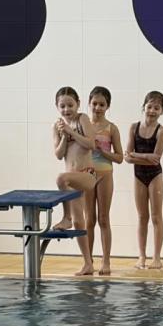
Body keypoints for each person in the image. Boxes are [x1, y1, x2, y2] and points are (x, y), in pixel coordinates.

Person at [53, 86, 97, 276]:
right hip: (71, 181)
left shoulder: (82, 119)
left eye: (70, 105)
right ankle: (88, 264)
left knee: (60, 178)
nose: (66, 109)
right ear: (57, 107)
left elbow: (91, 144)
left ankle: (66, 217)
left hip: (87, 174)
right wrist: (64, 136)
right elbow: (58, 154)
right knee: (81, 222)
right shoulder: (57, 126)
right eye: (62, 106)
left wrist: (72, 132)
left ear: (78, 104)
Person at [124, 90, 163, 270]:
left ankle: (156, 257)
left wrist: (136, 155)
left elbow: (156, 159)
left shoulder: (161, 131)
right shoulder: (133, 128)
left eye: (156, 108)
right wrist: (146, 156)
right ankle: (141, 256)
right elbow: (127, 158)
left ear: (162, 111)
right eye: (149, 107)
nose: (152, 111)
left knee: (156, 217)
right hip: (139, 176)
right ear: (144, 107)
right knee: (142, 217)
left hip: (155, 176)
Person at [87, 86, 123, 276]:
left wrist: (102, 150)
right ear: (89, 103)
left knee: (103, 218)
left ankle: (106, 261)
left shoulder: (111, 128)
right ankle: (88, 261)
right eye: (95, 103)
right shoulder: (83, 125)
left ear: (108, 106)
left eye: (102, 104)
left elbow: (119, 157)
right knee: (89, 219)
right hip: (87, 175)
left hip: (105, 174)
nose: (98, 108)